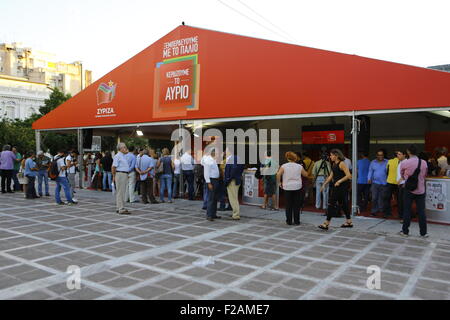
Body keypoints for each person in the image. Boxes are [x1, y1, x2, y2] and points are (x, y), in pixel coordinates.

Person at [318, 149, 353, 230]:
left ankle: (326, 223)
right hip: (337, 186)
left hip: (341, 187)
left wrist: (339, 181)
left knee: (331, 204)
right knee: (343, 204)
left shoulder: (342, 164)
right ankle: (349, 222)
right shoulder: (334, 164)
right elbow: (331, 176)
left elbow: (349, 175)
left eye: (331, 155)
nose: (330, 157)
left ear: (336, 156)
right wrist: (324, 184)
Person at [399, 145, 429, 238]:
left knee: (407, 210)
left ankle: (405, 231)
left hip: (409, 189)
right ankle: (423, 233)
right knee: (421, 211)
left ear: (408, 152)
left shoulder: (405, 163)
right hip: (421, 190)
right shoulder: (423, 162)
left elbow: (402, 175)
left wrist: (407, 177)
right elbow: (425, 175)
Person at [277, 152, 309, 226]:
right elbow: (306, 174)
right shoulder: (299, 166)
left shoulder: (284, 166)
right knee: (296, 204)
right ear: (295, 158)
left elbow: (278, 174)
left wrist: (279, 183)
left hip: (287, 187)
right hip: (297, 187)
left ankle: (289, 221)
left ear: (287, 158)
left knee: (288, 205)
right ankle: (297, 221)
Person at [367, 149, 389, 218]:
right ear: (376, 155)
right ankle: (374, 211)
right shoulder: (373, 162)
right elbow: (370, 171)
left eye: (381, 155)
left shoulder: (387, 162)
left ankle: (382, 210)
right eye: (379, 155)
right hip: (375, 183)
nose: (380, 156)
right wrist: (369, 178)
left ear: (383, 155)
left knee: (382, 198)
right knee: (374, 198)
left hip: (384, 183)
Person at [224, 148, 245, 220]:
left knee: (233, 198)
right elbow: (242, 167)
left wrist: (228, 178)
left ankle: (236, 214)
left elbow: (233, 168)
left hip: (232, 181)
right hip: (236, 180)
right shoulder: (237, 158)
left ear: (229, 151)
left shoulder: (231, 159)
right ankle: (235, 213)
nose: (225, 152)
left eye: (226, 150)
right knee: (234, 197)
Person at [112, 143, 131, 214]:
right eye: (124, 147)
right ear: (120, 148)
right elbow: (114, 167)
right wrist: (114, 176)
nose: (126, 148)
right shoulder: (118, 156)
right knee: (121, 192)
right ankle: (121, 208)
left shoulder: (122, 156)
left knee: (122, 192)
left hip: (123, 174)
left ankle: (119, 207)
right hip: (120, 174)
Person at [203, 149, 221, 221]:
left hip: (215, 180)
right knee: (211, 198)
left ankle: (213, 214)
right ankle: (209, 215)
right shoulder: (208, 161)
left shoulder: (213, 160)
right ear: (213, 153)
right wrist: (208, 182)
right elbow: (206, 173)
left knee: (215, 198)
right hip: (211, 180)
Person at [385, 151, 401, 218]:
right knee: (399, 199)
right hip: (398, 183)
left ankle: (387, 213)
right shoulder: (401, 162)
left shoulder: (389, 161)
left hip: (390, 181)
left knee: (388, 198)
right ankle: (400, 214)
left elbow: (387, 171)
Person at [396, 150, 407, 221]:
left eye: (400, 154)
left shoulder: (406, 162)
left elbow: (408, 173)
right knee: (400, 201)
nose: (398, 155)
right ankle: (401, 215)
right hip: (400, 184)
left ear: (404, 155)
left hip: (404, 184)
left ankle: (404, 217)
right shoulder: (400, 162)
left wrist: (405, 182)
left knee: (403, 201)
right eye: (397, 154)